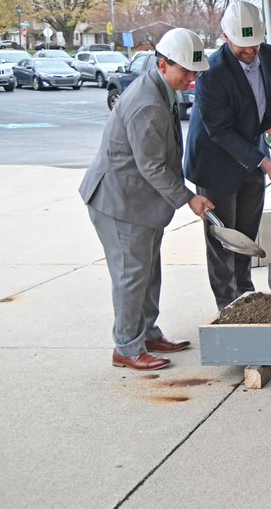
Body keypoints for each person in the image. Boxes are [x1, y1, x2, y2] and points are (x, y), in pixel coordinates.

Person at [79, 28, 215, 371]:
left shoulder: (162, 89)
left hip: (140, 201)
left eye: (194, 72)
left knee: (147, 271)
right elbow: (152, 166)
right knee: (131, 275)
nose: (190, 79)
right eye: (184, 71)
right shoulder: (148, 104)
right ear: (162, 64)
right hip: (119, 202)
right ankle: (126, 347)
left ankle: (147, 333)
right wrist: (189, 199)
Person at [184, 0, 271, 310]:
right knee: (223, 239)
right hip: (215, 163)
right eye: (242, 45)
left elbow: (267, 96)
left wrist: (268, 121)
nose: (250, 50)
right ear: (226, 37)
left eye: (254, 42)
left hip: (252, 158)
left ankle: (246, 294)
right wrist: (265, 161)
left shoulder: (270, 56)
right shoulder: (211, 73)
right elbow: (221, 131)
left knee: (246, 231)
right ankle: (228, 305)